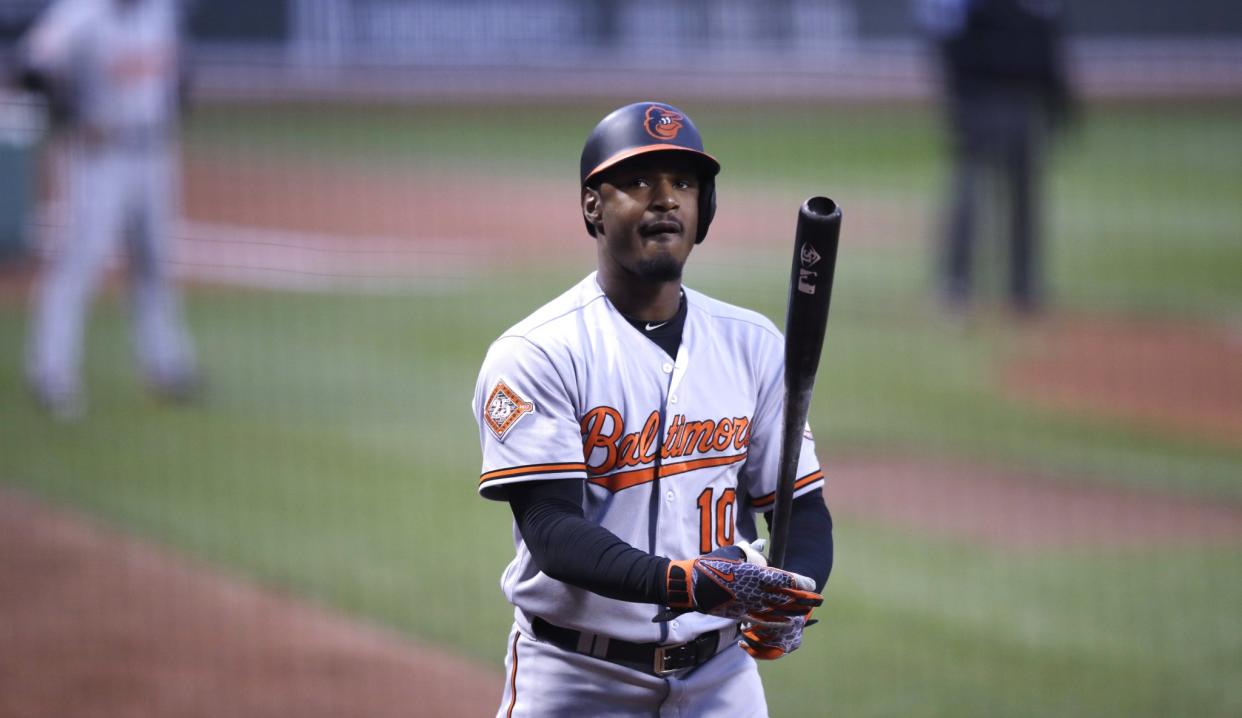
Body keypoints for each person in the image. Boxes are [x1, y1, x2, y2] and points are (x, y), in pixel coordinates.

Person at [472, 102, 834, 716]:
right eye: (639, 181)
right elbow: (553, 533)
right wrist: (687, 583)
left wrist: (791, 594)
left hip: (722, 677)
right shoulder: (539, 352)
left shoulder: (753, 345)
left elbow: (802, 509)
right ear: (593, 205)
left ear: (705, 210)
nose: (665, 199)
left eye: (684, 184)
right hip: (577, 677)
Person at [15, 0, 197, 420]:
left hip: (154, 151)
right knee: (80, 261)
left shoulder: (160, 11)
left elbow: (179, 69)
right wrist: (74, 116)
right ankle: (51, 370)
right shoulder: (78, 14)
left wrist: (175, 107)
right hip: (97, 158)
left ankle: (165, 364)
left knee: (155, 261)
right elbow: (31, 68)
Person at [922, 0, 1074, 317]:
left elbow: (1048, 41)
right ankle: (957, 283)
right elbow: (948, 37)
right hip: (980, 99)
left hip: (1022, 100)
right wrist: (960, 94)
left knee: (1023, 198)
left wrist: (1058, 100)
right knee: (970, 194)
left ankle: (1023, 288)